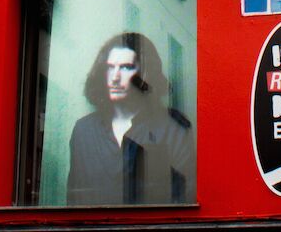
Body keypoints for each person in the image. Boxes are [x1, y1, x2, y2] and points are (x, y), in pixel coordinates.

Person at [66, 32, 194, 205]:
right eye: (110, 67)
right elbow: (74, 200)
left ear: (145, 73)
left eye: (126, 67)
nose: (115, 77)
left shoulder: (173, 128)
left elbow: (184, 199)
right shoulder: (84, 131)